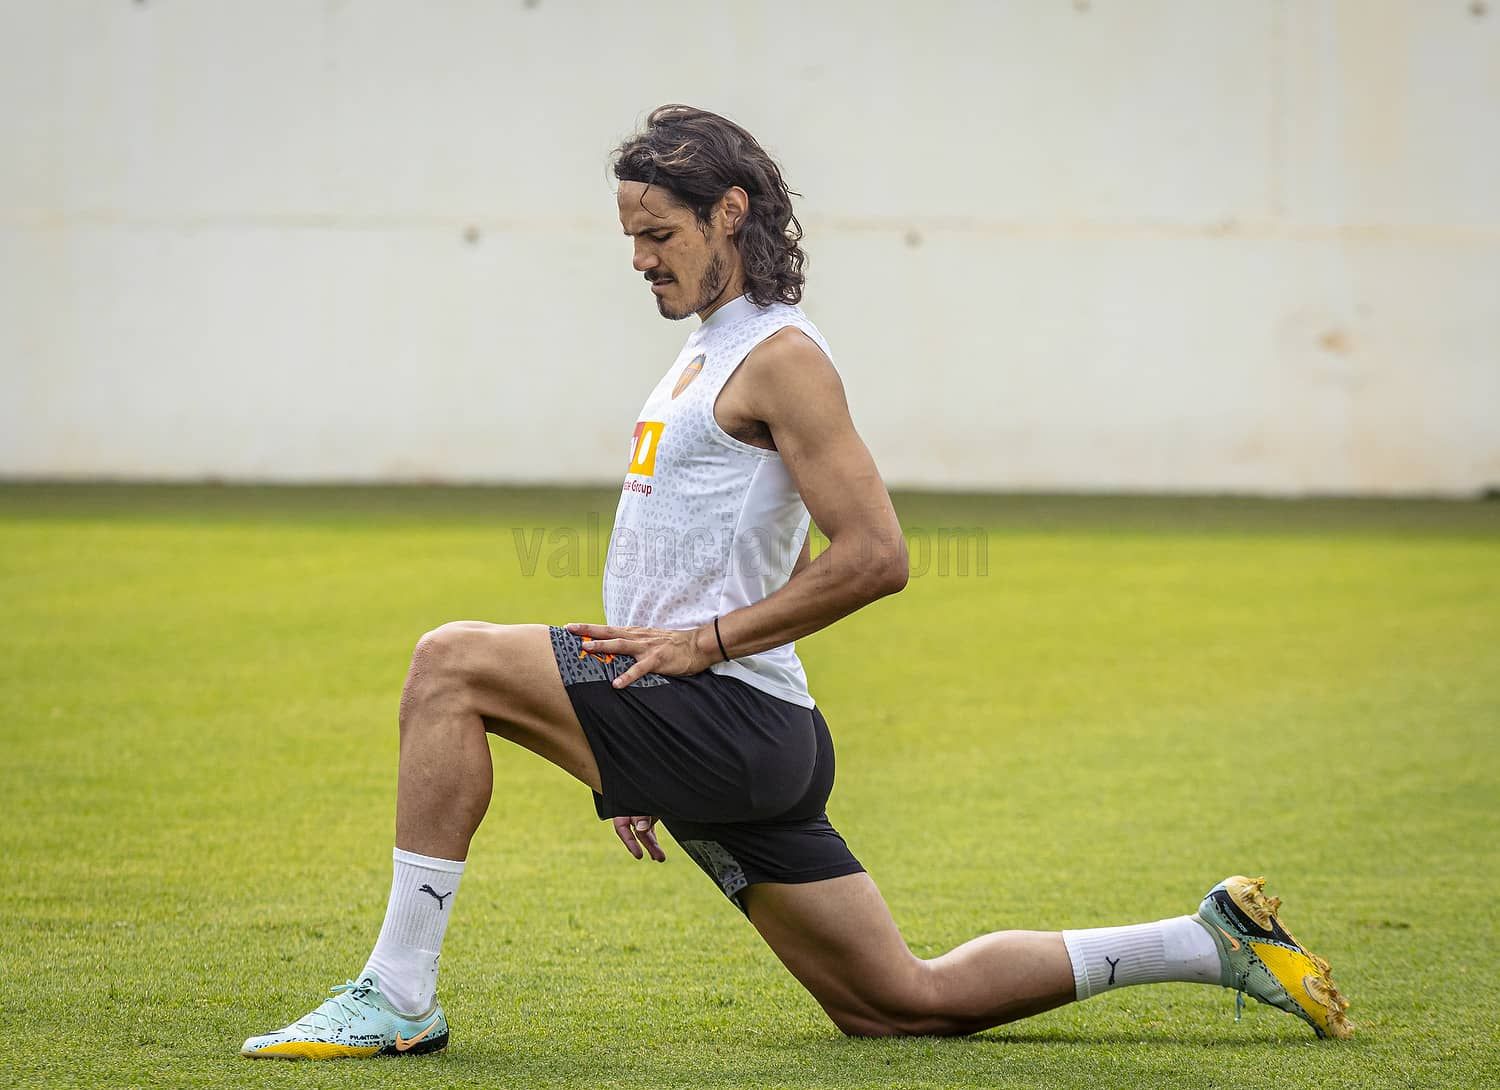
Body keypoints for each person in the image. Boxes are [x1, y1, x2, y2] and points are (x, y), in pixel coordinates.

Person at [240, 105, 1351, 1060]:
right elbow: (673, 557)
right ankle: (1207, 941)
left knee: (449, 662)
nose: (639, 259)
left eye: (658, 233)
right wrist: (626, 739)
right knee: (897, 1004)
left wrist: (701, 646)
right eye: (629, 237)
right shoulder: (702, 349)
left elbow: (877, 554)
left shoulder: (782, 355)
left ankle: (396, 997)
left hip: (734, 716)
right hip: (716, 725)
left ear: (731, 212)